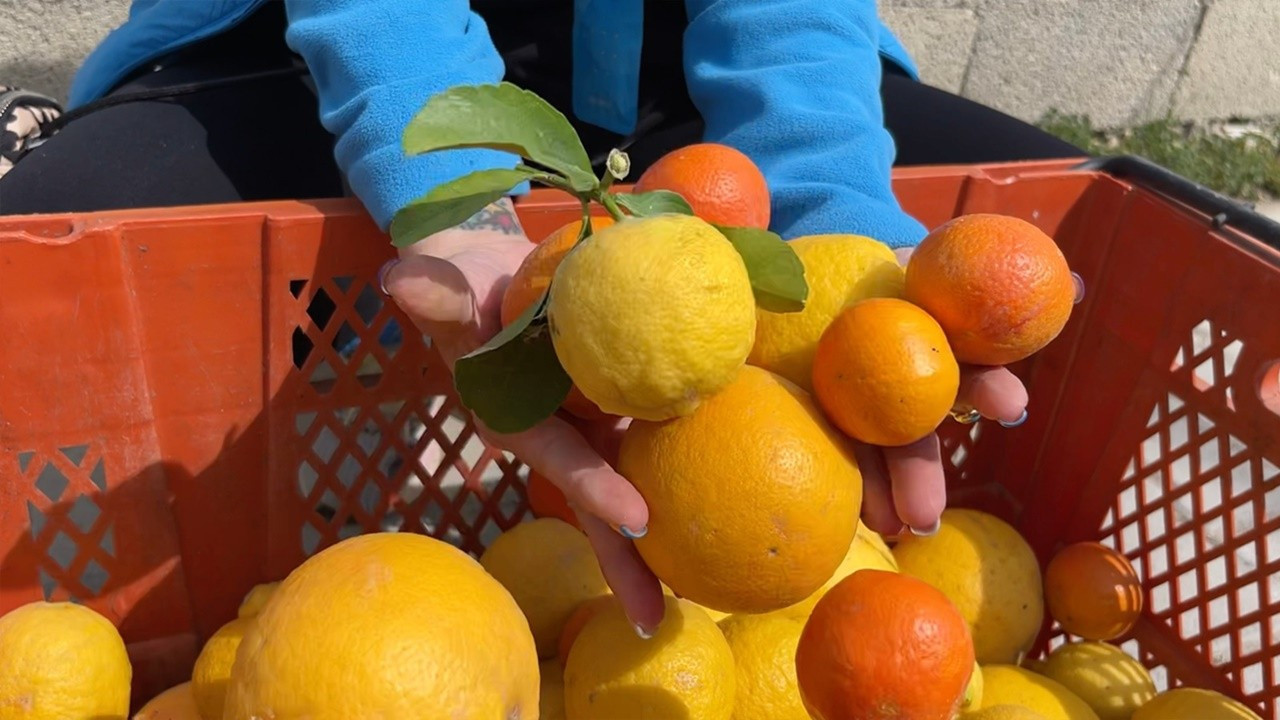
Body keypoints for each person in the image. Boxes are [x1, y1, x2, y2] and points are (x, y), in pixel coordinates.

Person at [0, 1, 1075, 634]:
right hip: (306, 38)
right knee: (48, 245)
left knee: (1047, 208)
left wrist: (828, 207)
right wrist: (460, 194)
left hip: (669, 63)